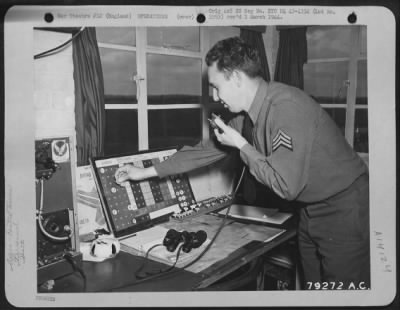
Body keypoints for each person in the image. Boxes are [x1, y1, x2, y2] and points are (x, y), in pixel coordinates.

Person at [115, 37, 370, 289]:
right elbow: (202, 152)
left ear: (236, 78)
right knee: (313, 287)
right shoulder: (245, 116)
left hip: (345, 207)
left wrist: (241, 145)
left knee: (343, 294)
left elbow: (286, 186)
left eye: (216, 86)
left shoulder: (286, 107)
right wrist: (143, 173)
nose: (214, 97)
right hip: (310, 208)